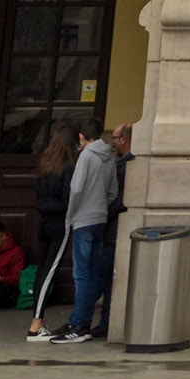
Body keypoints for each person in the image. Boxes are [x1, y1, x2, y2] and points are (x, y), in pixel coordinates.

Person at [50, 119, 116, 345]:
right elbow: (112, 192)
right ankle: (81, 323)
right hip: (100, 219)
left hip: (83, 220)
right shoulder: (109, 157)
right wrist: (100, 207)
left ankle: (79, 325)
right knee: (93, 273)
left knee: (82, 275)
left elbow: (76, 188)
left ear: (81, 137)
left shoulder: (86, 156)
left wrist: (72, 214)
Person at [27, 122, 77, 342]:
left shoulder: (44, 165)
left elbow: (39, 199)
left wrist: (46, 205)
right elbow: (68, 201)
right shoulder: (68, 168)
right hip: (60, 224)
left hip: (44, 223)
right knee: (50, 271)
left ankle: (39, 321)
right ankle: (36, 324)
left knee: (42, 271)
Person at [91, 124, 134, 338]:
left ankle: (98, 320)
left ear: (124, 139)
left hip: (114, 229)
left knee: (102, 276)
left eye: (115, 137)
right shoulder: (121, 163)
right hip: (112, 228)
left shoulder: (128, 165)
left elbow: (121, 198)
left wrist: (102, 212)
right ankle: (103, 320)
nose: (112, 141)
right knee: (105, 277)